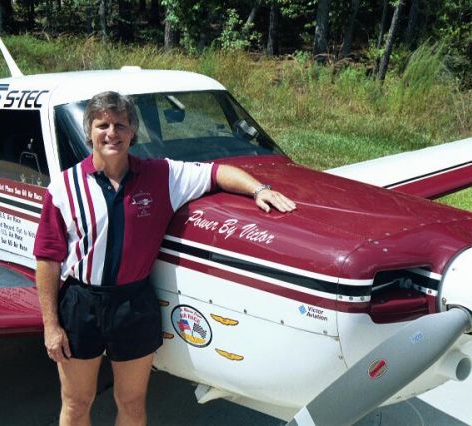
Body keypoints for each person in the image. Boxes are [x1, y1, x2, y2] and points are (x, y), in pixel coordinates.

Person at [33, 91, 295, 426]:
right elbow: (48, 258)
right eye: (102, 125)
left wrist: (259, 190)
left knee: (131, 402)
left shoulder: (162, 176)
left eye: (120, 125)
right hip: (81, 304)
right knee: (76, 402)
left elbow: (217, 173)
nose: (111, 133)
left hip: (133, 304)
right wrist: (51, 326)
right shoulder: (64, 187)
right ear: (89, 133)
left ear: (133, 133)